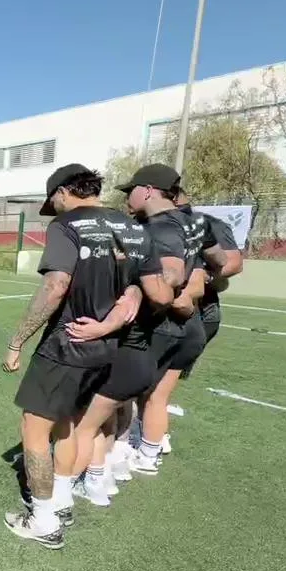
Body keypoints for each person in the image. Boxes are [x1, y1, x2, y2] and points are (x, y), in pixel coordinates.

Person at [0, 165, 131, 549]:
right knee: (68, 424)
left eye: (52, 201)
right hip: (105, 346)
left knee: (35, 429)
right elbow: (137, 285)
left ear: (62, 191)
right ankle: (61, 501)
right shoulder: (124, 224)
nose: (52, 209)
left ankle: (43, 521)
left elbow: (56, 285)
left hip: (66, 344)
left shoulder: (67, 225)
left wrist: (17, 340)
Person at [61, 204, 176, 507]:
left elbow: (119, 314)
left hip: (124, 360)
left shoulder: (120, 283)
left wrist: (100, 328)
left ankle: (66, 492)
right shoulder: (142, 279)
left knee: (84, 427)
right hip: (143, 360)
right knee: (108, 419)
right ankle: (104, 476)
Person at [115, 164, 207, 475]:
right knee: (157, 396)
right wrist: (187, 300)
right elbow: (201, 278)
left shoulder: (160, 226)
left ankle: (114, 459)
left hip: (159, 327)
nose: (128, 197)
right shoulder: (189, 225)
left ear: (148, 191)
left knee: (117, 393)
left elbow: (171, 273)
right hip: (189, 326)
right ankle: (149, 455)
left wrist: (137, 291)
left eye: (131, 190)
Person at [177, 190, 244, 377]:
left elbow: (234, 262)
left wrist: (204, 275)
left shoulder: (209, 224)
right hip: (166, 307)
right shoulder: (150, 223)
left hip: (200, 308)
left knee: (171, 370)